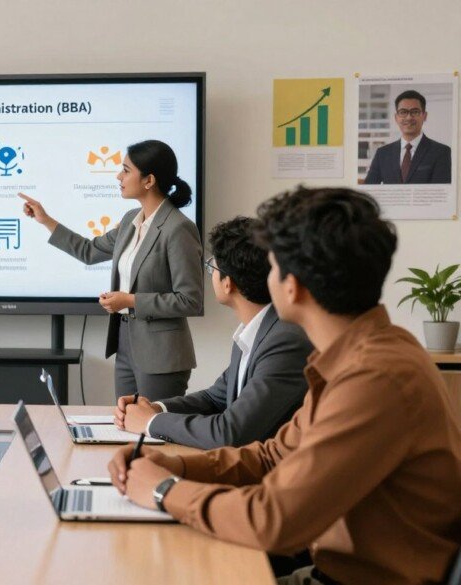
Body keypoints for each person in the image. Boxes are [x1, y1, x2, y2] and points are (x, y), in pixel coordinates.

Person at [108, 186, 461, 585]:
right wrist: (176, 464)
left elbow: (273, 519)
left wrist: (164, 491)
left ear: (291, 286)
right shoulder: (357, 356)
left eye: (271, 266)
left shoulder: (375, 377)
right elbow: (274, 456)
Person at [19, 139, 204, 401]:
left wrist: (129, 300)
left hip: (161, 354)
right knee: (125, 425)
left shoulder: (178, 228)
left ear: (149, 180)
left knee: (155, 433)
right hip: (126, 342)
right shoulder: (131, 220)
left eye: (126, 170)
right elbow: (89, 251)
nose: (119, 176)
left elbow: (190, 300)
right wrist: (45, 220)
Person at [115, 216, 312, 449]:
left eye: (212, 267)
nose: (210, 275)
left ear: (228, 283)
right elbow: (215, 398)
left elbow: (230, 432)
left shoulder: (285, 341)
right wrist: (156, 408)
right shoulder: (256, 331)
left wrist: (150, 421)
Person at [364, 89, 452, 184]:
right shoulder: (383, 153)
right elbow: (369, 188)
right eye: (403, 112)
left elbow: (441, 193)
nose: (409, 117)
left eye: (415, 112)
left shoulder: (441, 152)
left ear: (424, 116)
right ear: (396, 117)